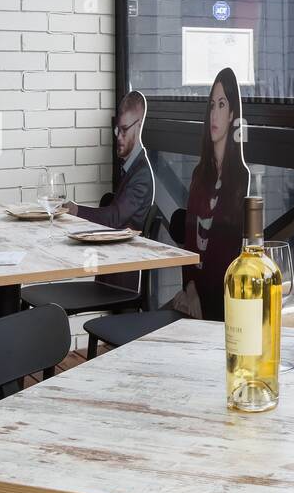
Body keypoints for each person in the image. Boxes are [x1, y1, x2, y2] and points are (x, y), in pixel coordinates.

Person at [172, 68, 250, 322]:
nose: (214, 114)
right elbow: (189, 239)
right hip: (194, 291)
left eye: (222, 105)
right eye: (212, 106)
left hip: (222, 298)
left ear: (232, 115)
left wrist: (200, 301)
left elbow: (228, 252)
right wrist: (191, 289)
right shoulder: (199, 174)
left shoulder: (240, 177)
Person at [67, 90, 154, 231]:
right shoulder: (131, 167)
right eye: (117, 130)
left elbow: (115, 219)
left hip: (125, 248)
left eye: (124, 130)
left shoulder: (141, 174)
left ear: (139, 126)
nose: (118, 137)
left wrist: (77, 211)